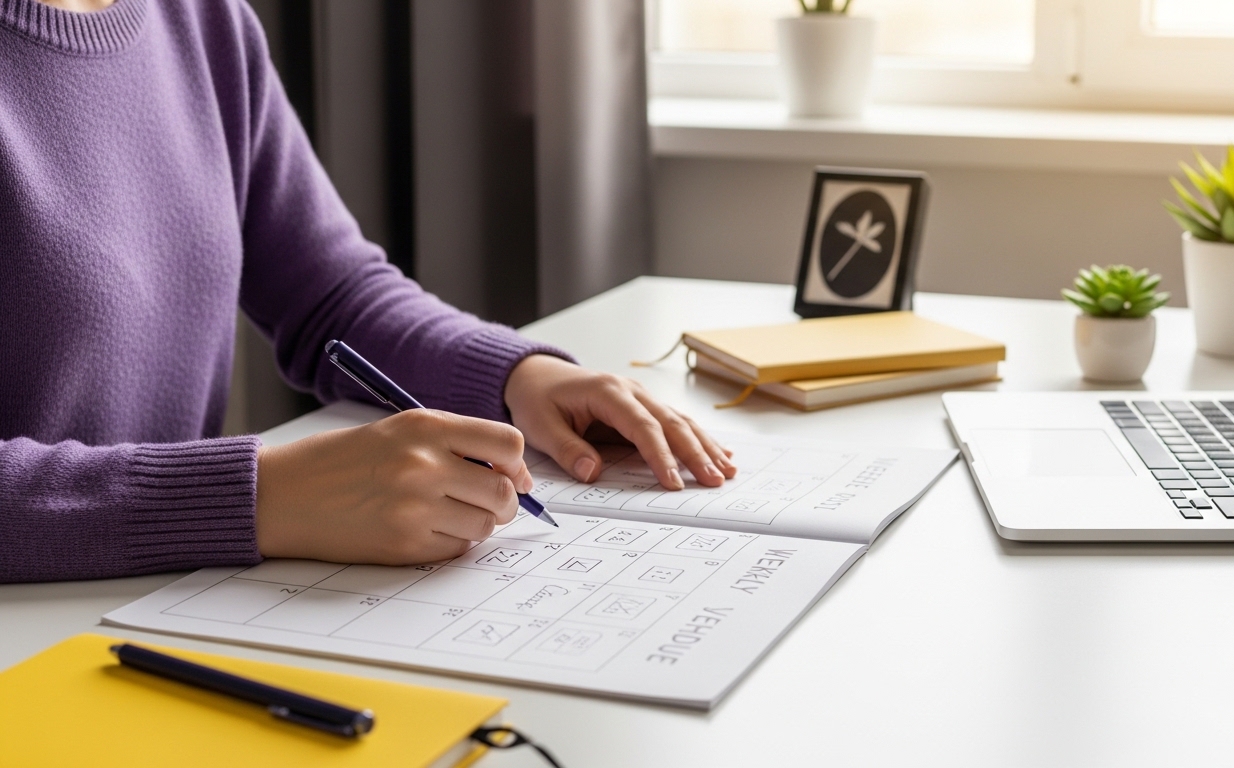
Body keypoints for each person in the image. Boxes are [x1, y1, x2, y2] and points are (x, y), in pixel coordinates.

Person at [0, 0, 736, 583]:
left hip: (146, 604)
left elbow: (332, 294)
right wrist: (257, 497)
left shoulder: (204, 21)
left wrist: (518, 376)